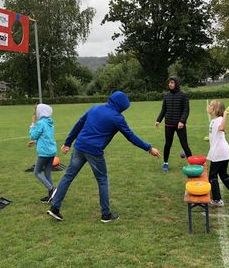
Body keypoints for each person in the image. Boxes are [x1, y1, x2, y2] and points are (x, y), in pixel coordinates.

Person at [47, 91, 161, 223]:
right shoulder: (117, 118)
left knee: (68, 176)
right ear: (121, 105)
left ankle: (55, 207)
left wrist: (68, 143)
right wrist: (149, 148)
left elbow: (79, 123)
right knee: (102, 180)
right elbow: (131, 137)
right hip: (94, 151)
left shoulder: (95, 108)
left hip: (79, 147)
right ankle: (106, 214)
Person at [155, 76, 192, 173]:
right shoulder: (166, 96)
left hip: (180, 125)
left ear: (176, 83)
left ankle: (192, 164)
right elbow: (164, 109)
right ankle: (165, 163)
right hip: (169, 125)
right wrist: (158, 120)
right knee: (167, 144)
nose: (170, 84)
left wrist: (182, 121)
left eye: (172, 82)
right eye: (169, 83)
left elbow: (186, 110)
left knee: (184, 145)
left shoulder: (183, 95)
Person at [28, 103, 57, 203]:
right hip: (52, 152)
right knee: (47, 173)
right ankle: (51, 197)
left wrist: (32, 125)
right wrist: (36, 142)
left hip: (44, 153)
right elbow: (46, 137)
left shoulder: (40, 123)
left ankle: (51, 189)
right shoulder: (50, 123)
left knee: (37, 172)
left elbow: (33, 135)